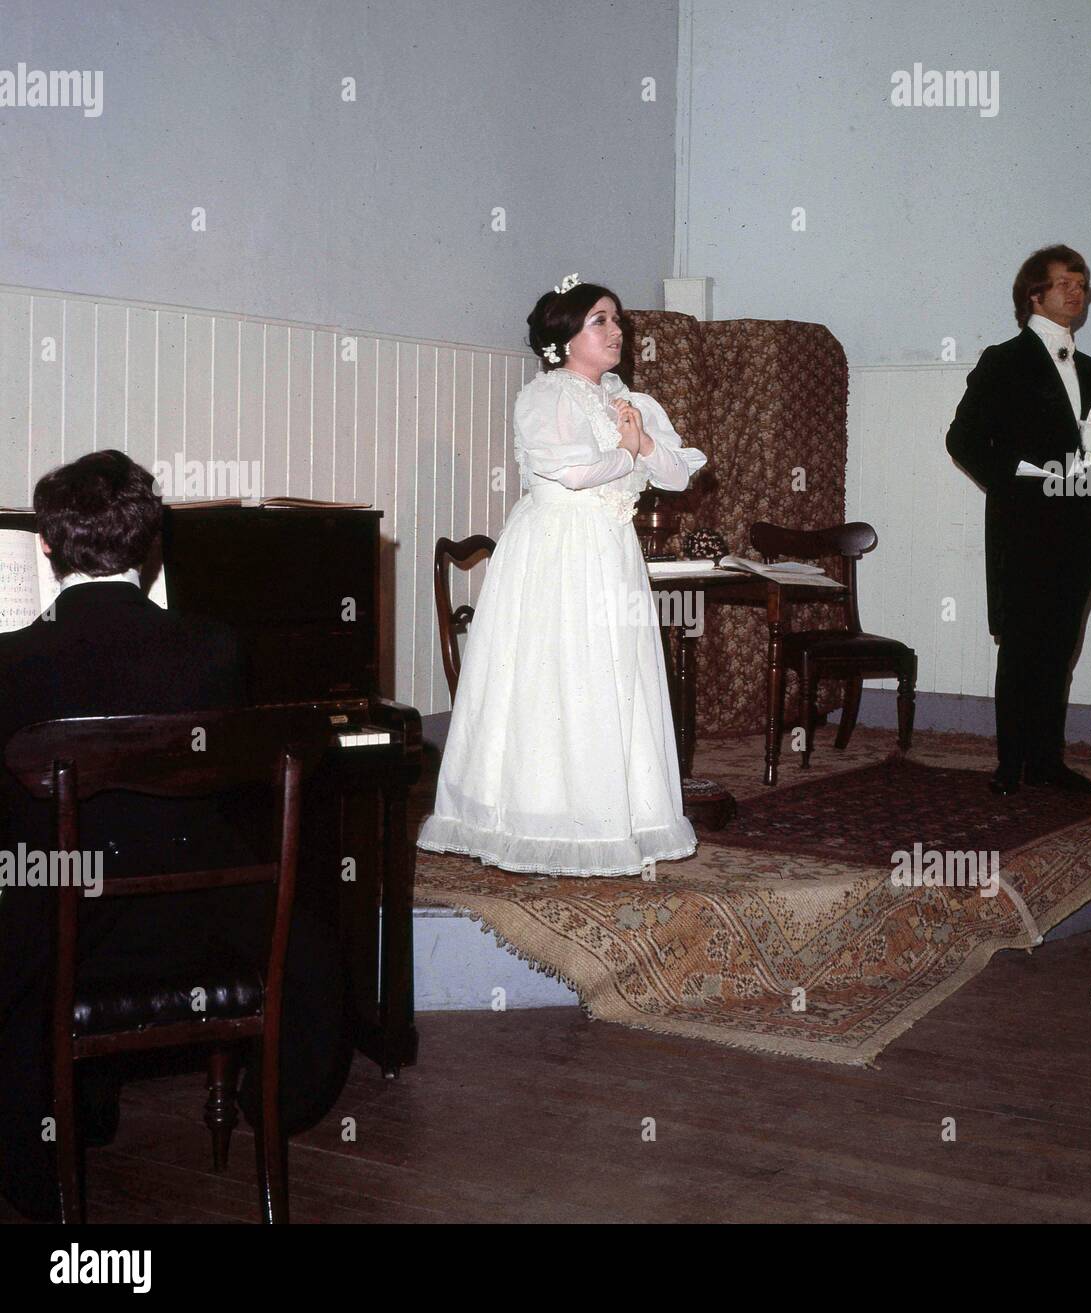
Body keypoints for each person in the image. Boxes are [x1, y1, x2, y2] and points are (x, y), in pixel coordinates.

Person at [0, 450, 352, 1220]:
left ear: (47, 548)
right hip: (201, 928)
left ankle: (47, 1140)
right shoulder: (215, 648)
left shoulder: (14, 661)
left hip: (70, 938)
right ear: (150, 545)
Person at [418, 275, 707, 876]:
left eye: (617, 319)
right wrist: (629, 454)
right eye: (600, 320)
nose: (616, 330)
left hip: (609, 549)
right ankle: (537, 818)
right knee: (557, 672)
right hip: (556, 547)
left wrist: (643, 438)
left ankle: (612, 820)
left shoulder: (632, 402)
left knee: (612, 673)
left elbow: (679, 476)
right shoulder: (546, 397)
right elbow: (572, 474)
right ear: (565, 336)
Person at [945, 245, 1091, 797]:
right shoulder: (1004, 360)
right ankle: (1011, 765)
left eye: (1083, 283)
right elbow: (963, 439)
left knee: (1061, 642)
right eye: (1065, 283)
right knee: (1023, 641)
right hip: (1024, 520)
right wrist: (1017, 481)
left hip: (1077, 519)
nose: (1078, 292)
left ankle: (1047, 762)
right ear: (1035, 294)